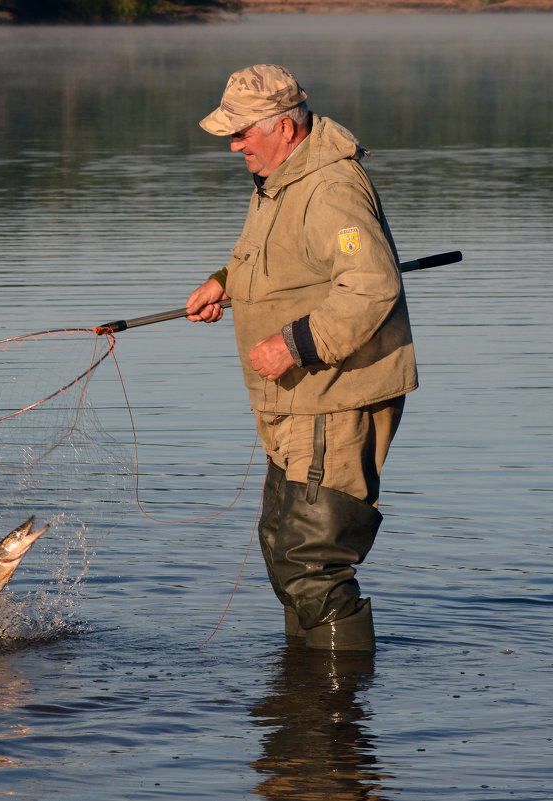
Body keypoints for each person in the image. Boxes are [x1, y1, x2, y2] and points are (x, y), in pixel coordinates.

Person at [185, 64, 416, 653]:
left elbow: (370, 287)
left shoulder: (331, 188)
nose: (235, 146)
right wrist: (225, 281)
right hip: (294, 400)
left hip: (334, 395)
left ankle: (334, 712)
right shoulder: (281, 179)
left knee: (311, 565)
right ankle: (306, 697)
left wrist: (291, 345)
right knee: (282, 549)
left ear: (284, 128)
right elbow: (284, 261)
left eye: (242, 134)